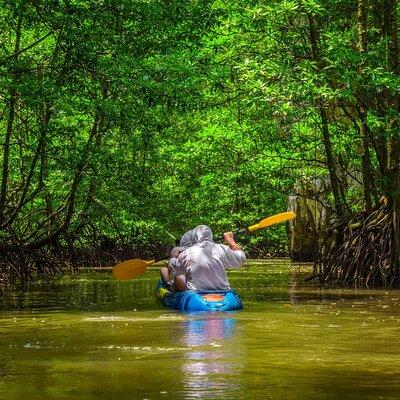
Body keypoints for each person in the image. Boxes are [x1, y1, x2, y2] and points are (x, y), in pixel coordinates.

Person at [174, 225, 246, 291]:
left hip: (196, 293)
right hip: (223, 291)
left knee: (176, 276)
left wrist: (174, 257)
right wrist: (231, 241)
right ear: (211, 236)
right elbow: (241, 258)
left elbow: (175, 270)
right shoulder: (222, 249)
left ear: (194, 237)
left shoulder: (187, 252)